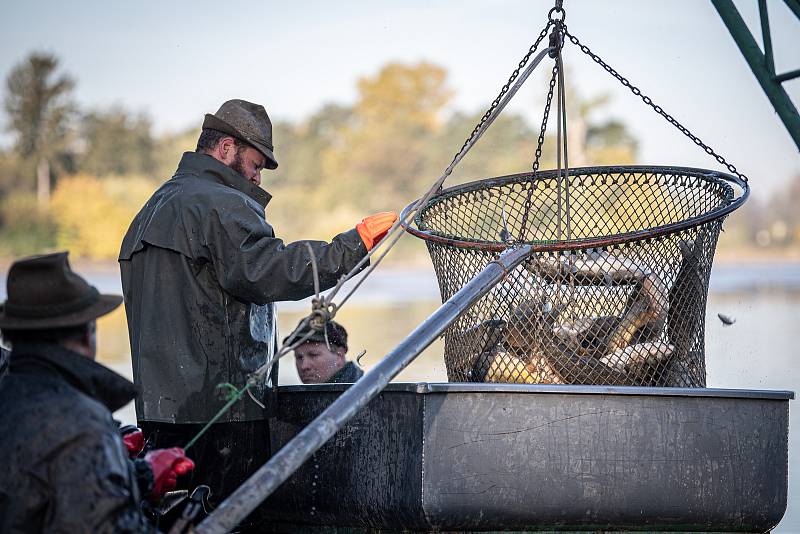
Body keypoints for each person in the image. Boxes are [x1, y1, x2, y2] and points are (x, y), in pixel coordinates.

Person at [118, 99, 397, 508]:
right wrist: (353, 246)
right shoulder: (220, 203)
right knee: (232, 517)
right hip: (223, 413)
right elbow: (269, 270)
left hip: (160, 411)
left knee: (175, 515)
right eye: (256, 162)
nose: (257, 174)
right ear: (226, 148)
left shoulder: (154, 206)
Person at [0, 252, 195, 533]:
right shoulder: (81, 424)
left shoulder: (9, 397)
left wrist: (142, 477)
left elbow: (43, 492)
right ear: (85, 335)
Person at [290, 320, 364, 384]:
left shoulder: (367, 396)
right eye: (299, 357)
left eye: (313, 355)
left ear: (339, 356)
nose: (304, 366)